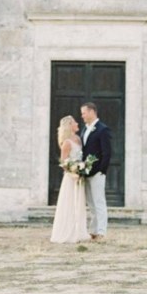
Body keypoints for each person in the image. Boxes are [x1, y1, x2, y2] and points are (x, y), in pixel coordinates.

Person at [49, 115, 89, 243]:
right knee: (70, 203)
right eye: (74, 122)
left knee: (79, 203)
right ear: (70, 126)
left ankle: (79, 231)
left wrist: (83, 168)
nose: (77, 123)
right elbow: (64, 162)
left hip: (80, 176)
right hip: (71, 177)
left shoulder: (78, 139)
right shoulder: (66, 142)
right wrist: (73, 172)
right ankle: (68, 232)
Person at [80, 101, 112, 240]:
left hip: (97, 173)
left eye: (84, 113)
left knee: (99, 202)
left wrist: (101, 171)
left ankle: (101, 231)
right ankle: (93, 231)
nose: (82, 116)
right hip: (85, 172)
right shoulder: (84, 129)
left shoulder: (102, 129)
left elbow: (107, 152)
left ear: (92, 112)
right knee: (91, 204)